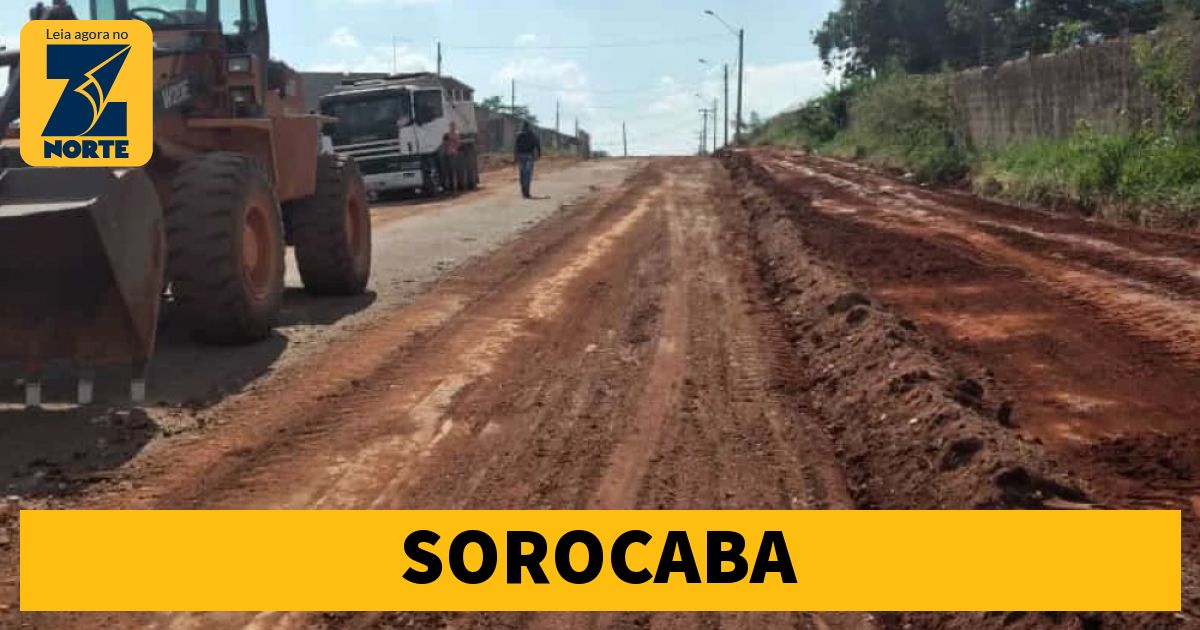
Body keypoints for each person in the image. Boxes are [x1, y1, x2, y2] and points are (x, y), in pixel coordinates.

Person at [513, 121, 541, 199]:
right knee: (527, 175)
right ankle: (526, 192)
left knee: (522, 174)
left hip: (520, 156)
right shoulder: (533, 135)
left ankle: (523, 191)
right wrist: (538, 155)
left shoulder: (519, 135)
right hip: (529, 157)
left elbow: (515, 147)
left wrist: (515, 157)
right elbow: (537, 146)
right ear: (529, 127)